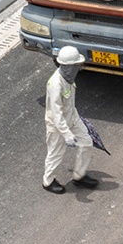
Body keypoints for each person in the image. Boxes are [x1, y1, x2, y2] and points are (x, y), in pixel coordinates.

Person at [44, 46, 98, 193]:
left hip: (72, 118)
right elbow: (57, 114)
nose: (79, 68)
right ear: (67, 66)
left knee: (86, 143)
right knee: (56, 154)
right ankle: (48, 181)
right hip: (57, 126)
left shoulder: (69, 78)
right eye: (76, 65)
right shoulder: (56, 84)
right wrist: (67, 134)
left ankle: (79, 176)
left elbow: (69, 104)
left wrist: (77, 119)